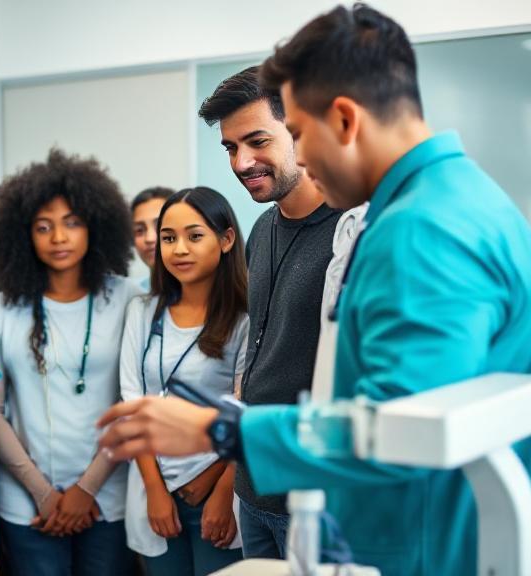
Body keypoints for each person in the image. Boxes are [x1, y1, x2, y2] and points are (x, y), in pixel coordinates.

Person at [98, 5, 531, 575]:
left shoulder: (420, 230)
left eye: (296, 133)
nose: (303, 159)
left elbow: (398, 433)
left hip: (431, 550)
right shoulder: (460, 198)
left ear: (343, 119)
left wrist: (215, 428)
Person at [197, 65, 341, 558]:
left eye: (257, 141)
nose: (241, 162)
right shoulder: (260, 229)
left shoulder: (353, 233)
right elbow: (256, 352)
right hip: (253, 490)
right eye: (231, 148)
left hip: (316, 499)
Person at [0, 149, 140, 575]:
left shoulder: (127, 299)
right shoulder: (2, 309)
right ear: (22, 234)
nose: (59, 238)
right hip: (28, 503)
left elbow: (135, 400)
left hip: (110, 496)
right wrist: (44, 493)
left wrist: (86, 489)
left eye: (72, 223)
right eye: (43, 227)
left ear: (96, 226)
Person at [120, 187, 248, 575]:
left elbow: (246, 409)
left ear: (226, 240)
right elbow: (132, 402)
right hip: (154, 490)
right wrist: (156, 490)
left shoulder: (245, 316)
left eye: (194, 236)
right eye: (168, 238)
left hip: (219, 492)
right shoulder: (142, 311)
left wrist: (221, 489)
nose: (178, 250)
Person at [130, 186, 175, 290]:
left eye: (160, 226)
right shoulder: (132, 295)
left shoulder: (210, 294)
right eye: (139, 230)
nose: (150, 239)